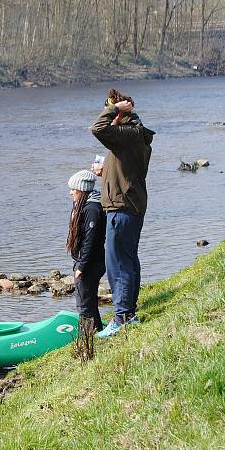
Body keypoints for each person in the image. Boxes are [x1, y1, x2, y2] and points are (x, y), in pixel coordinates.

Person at [91, 88, 155, 338]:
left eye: (112, 109)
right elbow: (126, 168)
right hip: (129, 203)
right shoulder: (134, 135)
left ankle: (122, 317)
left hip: (122, 206)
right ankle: (128, 313)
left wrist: (115, 110)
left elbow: (98, 128)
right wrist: (104, 170)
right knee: (126, 259)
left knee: (117, 263)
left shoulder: (127, 133)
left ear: (122, 111)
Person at [66, 169, 106, 332]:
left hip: (90, 263)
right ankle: (97, 332)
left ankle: (87, 338)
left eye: (73, 190)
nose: (70, 193)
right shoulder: (86, 205)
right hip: (89, 261)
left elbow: (91, 240)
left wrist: (82, 266)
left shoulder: (91, 209)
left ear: (81, 190)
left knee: (84, 305)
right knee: (89, 302)